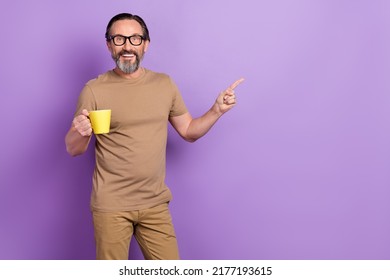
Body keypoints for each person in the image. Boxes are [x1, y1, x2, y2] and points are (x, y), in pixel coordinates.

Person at [65, 12, 244, 260]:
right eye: (119, 39)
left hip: (155, 204)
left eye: (135, 39)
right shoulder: (94, 90)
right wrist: (79, 131)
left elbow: (189, 131)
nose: (127, 46)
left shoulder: (164, 85)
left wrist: (216, 111)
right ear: (109, 45)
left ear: (146, 44)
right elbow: (74, 148)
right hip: (111, 207)